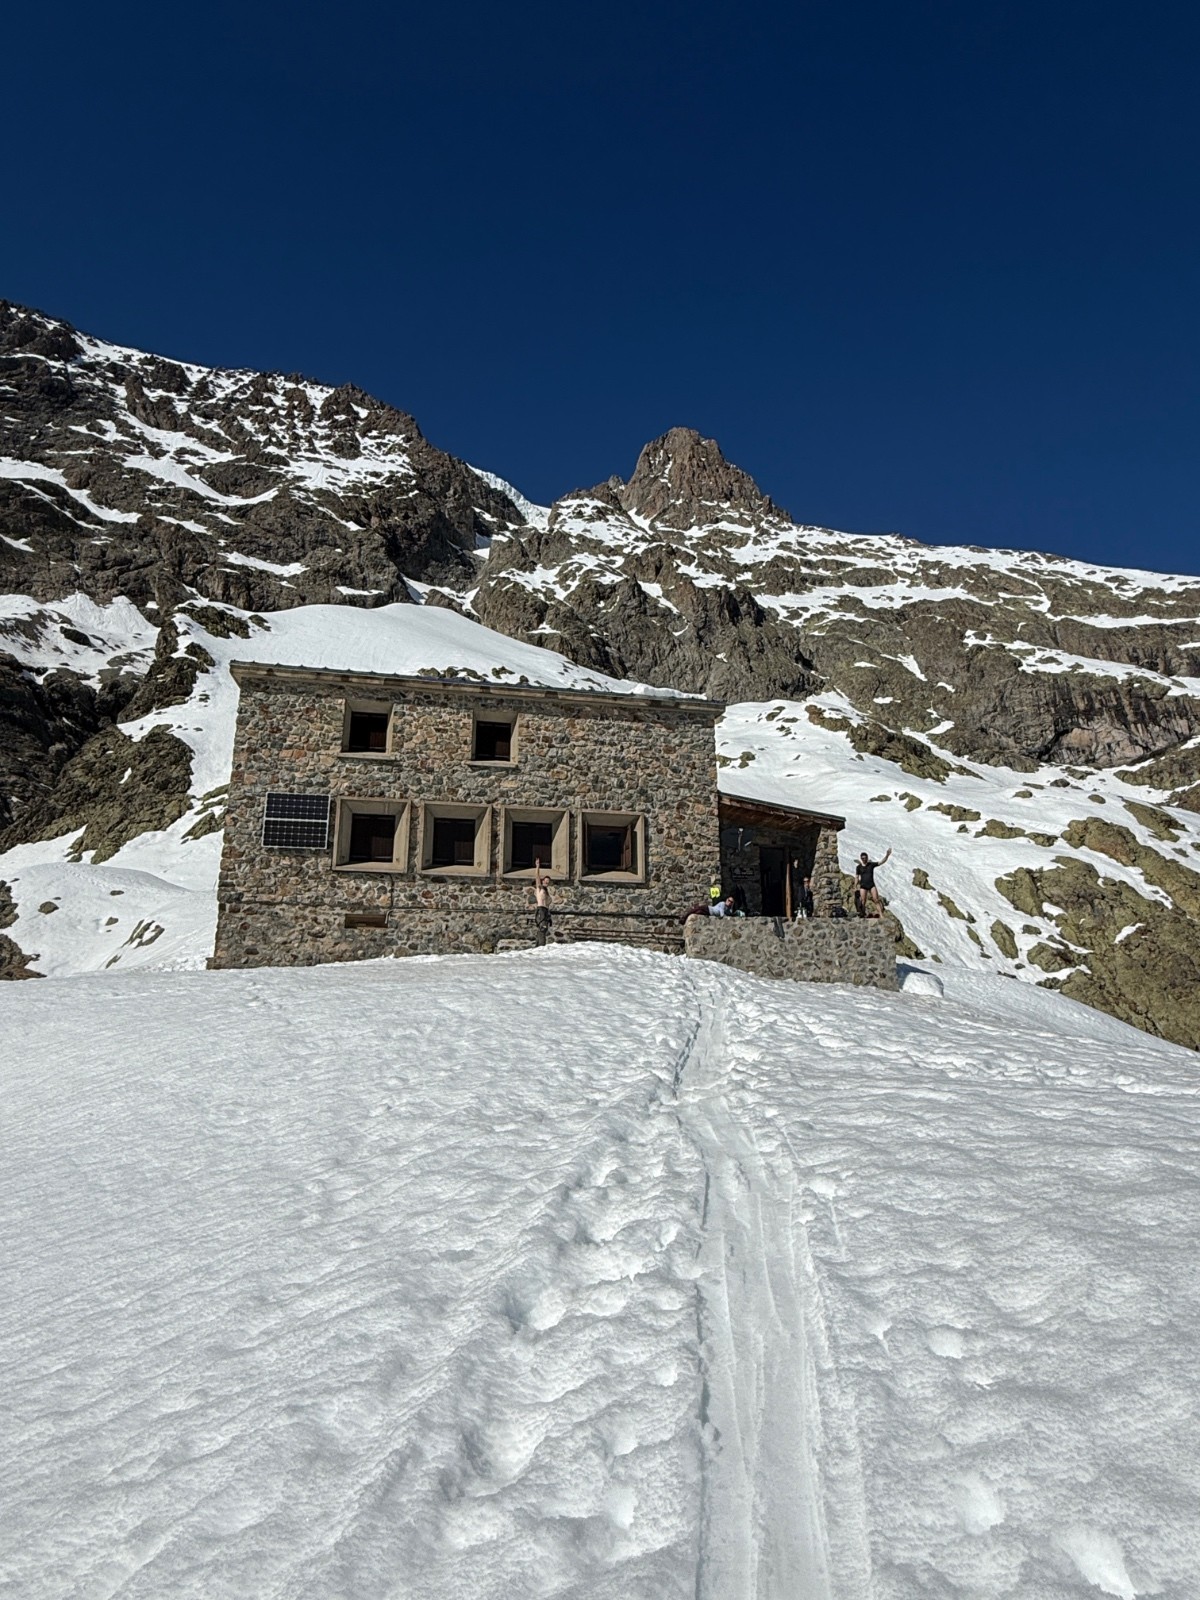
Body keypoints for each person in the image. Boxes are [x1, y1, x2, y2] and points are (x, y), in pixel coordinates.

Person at [854, 848, 891, 917]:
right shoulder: (858, 867)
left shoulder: (871, 864)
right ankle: (862, 914)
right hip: (863, 885)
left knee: (876, 899)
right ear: (861, 858)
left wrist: (887, 856)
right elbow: (856, 877)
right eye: (863, 858)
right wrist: (855, 886)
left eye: (865, 858)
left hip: (871, 885)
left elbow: (880, 862)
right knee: (863, 901)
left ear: (867, 858)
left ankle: (881, 915)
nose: (864, 859)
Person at [531, 858, 553, 945]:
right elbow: (537, 877)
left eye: (548, 881)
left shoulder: (547, 892)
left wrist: (549, 916)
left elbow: (548, 904)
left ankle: (538, 946)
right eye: (546, 880)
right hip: (540, 909)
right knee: (542, 928)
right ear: (543, 881)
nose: (547, 882)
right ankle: (541, 947)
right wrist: (537, 866)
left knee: (544, 928)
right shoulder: (540, 889)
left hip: (545, 910)